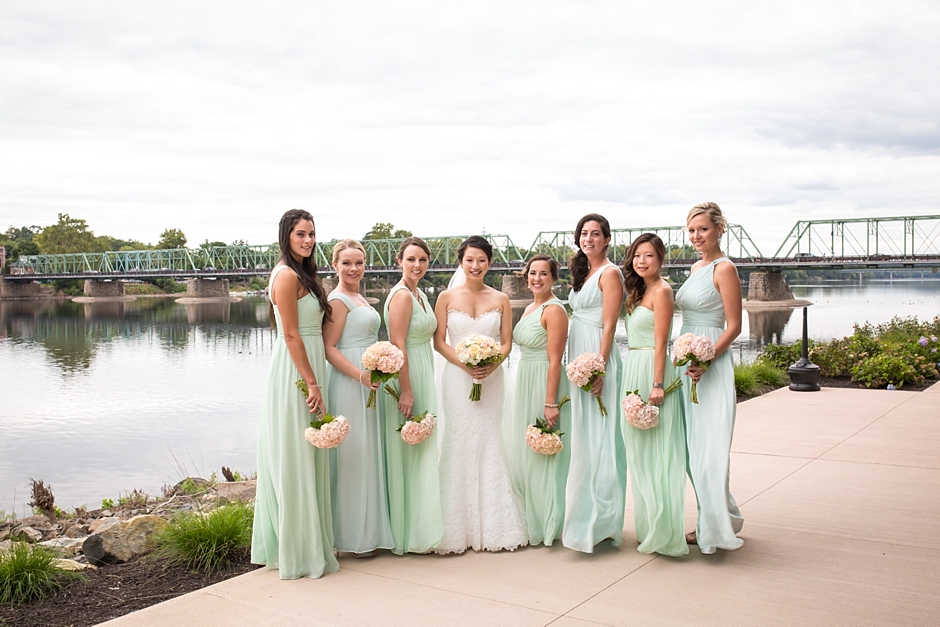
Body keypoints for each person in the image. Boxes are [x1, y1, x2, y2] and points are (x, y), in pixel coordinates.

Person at [251, 209, 338, 579]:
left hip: (312, 362)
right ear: (286, 235)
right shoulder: (285, 276)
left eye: (312, 234)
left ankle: (312, 540)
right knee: (296, 456)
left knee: (310, 454)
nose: (308, 240)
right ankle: (297, 551)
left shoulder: (306, 273)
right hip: (295, 371)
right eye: (301, 234)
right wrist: (312, 382)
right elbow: (290, 334)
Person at [433, 236, 527, 554]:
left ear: (489, 263)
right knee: (459, 438)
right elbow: (440, 342)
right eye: (470, 259)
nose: (476, 265)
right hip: (458, 379)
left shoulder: (500, 299)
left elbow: (506, 344)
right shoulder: (445, 297)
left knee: (489, 438)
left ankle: (495, 523)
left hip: (492, 378)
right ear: (461, 262)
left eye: (482, 260)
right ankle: (454, 526)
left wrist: (490, 364)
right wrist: (465, 364)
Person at [676, 202, 745, 555]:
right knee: (692, 452)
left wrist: (706, 358)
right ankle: (720, 516)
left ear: (720, 228)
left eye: (702, 229)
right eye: (691, 230)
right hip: (687, 365)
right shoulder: (694, 267)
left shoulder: (725, 268)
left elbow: (734, 325)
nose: (696, 236)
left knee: (710, 450)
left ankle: (714, 526)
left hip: (711, 366)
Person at [323, 239, 394, 558]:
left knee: (369, 453)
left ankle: (369, 530)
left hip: (369, 378)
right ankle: (349, 535)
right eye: (347, 263)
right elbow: (329, 348)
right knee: (353, 455)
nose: (354, 269)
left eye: (359, 263)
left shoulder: (359, 296)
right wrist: (360, 375)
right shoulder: (338, 300)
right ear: (335, 265)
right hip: (351, 381)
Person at [562, 213, 627, 553]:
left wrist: (599, 368)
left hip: (598, 359)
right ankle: (582, 516)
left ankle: (602, 522)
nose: (589, 239)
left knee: (602, 439)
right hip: (578, 359)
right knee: (584, 440)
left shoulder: (610, 273)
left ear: (606, 239)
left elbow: (610, 326)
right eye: (584, 234)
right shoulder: (583, 273)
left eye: (596, 234)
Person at [620, 234, 688, 556]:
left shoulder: (662, 291)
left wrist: (658, 383)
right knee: (638, 452)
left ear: (660, 258)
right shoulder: (638, 291)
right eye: (637, 255)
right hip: (632, 364)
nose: (642, 261)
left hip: (651, 369)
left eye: (648, 255)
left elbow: (662, 342)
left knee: (660, 452)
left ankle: (664, 530)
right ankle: (648, 525)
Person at [382, 237, 444, 554]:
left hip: (424, 368)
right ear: (399, 262)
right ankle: (410, 531)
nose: (417, 265)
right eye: (410, 259)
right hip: (411, 374)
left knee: (422, 449)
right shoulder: (402, 296)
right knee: (412, 450)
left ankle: (421, 525)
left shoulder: (419, 294)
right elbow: (398, 344)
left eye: (422, 259)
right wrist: (406, 389)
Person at [507, 254, 571, 546]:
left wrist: (550, 401)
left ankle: (548, 524)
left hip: (545, 381)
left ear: (554, 278)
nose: (536, 279)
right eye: (532, 273)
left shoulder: (554, 310)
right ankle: (532, 517)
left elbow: (556, 359)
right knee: (528, 453)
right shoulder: (531, 307)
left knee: (545, 456)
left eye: (543, 274)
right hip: (525, 378)